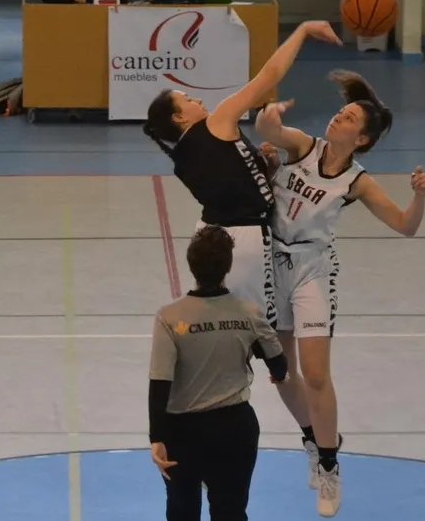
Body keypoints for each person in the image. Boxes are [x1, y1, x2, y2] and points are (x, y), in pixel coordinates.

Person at [251, 71, 425, 517]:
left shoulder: (358, 182)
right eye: (341, 110)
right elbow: (268, 132)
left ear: (362, 138)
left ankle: (330, 466)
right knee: (279, 373)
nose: (338, 116)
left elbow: (406, 227)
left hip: (313, 270)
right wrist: (269, 115)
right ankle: (312, 438)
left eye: (348, 116)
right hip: (273, 265)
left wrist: (420, 197)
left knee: (315, 375)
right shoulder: (303, 147)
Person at [142, 20, 342, 332]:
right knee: (258, 333)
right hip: (244, 238)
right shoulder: (217, 121)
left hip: (213, 234)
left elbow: (234, 181)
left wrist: (268, 168)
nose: (197, 100)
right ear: (179, 117)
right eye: (188, 100)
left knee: (224, 325)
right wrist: (302, 31)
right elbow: (270, 75)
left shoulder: (181, 157)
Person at [148, 225, 289, 521]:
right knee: (231, 515)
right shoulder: (248, 312)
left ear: (192, 266)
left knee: (183, 515)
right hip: (235, 429)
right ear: (227, 267)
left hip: (182, 433)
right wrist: (276, 374)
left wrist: (157, 437)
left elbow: (160, 383)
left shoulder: (169, 317)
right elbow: (278, 364)